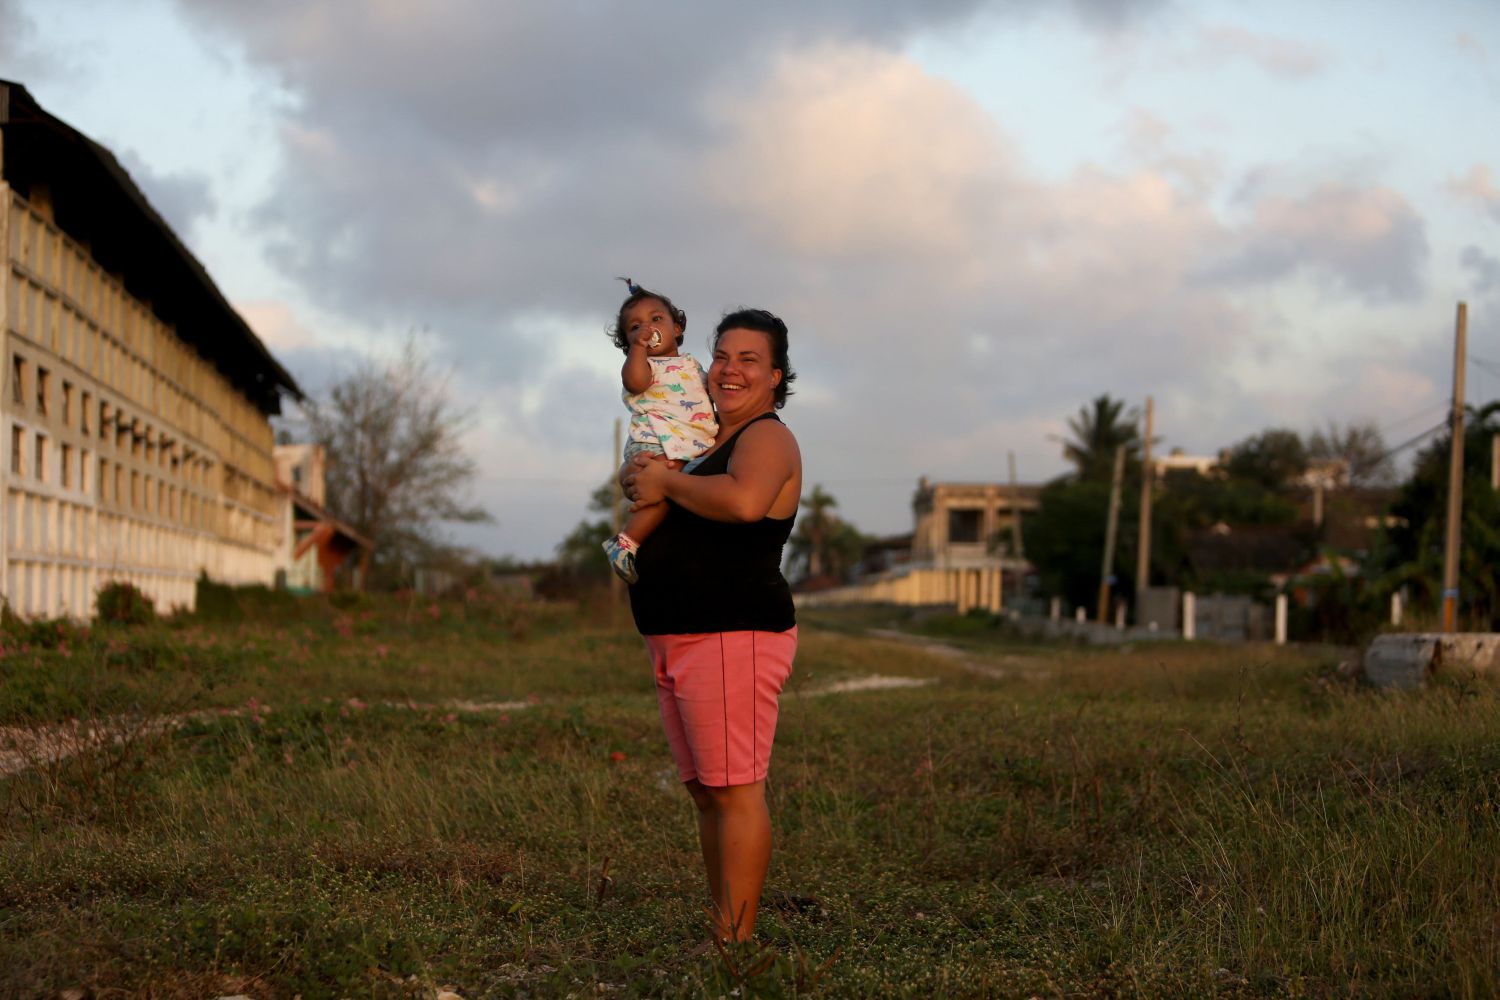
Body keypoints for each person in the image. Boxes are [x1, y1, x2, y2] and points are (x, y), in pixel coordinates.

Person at [623, 306, 801, 944]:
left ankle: (735, 944)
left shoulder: (767, 438)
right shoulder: (704, 442)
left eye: (749, 360)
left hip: (733, 633)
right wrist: (646, 478)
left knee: (736, 793)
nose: (729, 370)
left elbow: (746, 502)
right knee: (707, 793)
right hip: (677, 636)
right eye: (722, 355)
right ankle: (723, 922)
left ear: (776, 376)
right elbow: (662, 494)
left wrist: (666, 482)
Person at [602, 279, 718, 583]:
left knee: (673, 489)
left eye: (656, 319)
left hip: (682, 445)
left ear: (676, 328)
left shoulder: (692, 366)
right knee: (666, 484)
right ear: (627, 341)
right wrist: (638, 351)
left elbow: (711, 396)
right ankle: (625, 542)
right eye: (635, 327)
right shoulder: (645, 367)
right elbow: (634, 382)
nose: (646, 329)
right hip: (653, 444)